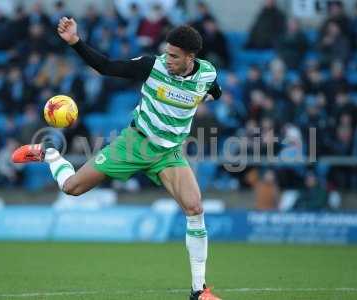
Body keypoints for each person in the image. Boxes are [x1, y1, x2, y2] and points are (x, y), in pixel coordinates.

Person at [11, 17, 222, 300]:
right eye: (167, 52)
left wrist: (192, 103)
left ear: (190, 57)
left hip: (168, 152)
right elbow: (107, 67)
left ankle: (199, 291)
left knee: (195, 208)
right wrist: (75, 41)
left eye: (174, 56)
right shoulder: (152, 65)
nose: (167, 59)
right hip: (135, 143)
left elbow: (214, 93)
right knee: (71, 187)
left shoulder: (206, 74)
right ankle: (48, 153)